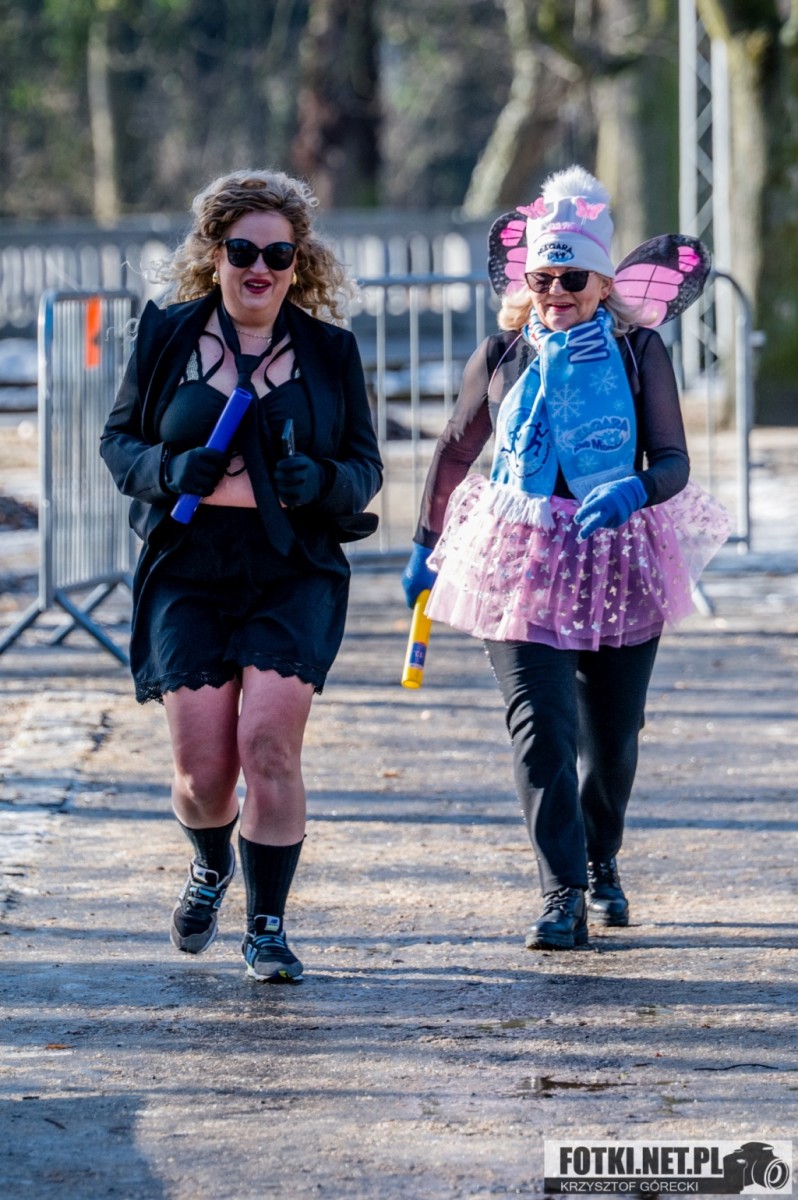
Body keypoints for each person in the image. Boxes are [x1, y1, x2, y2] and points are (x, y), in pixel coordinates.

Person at [402, 165, 729, 951]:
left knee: (612, 739)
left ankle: (600, 856)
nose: (555, 291)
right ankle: (562, 892)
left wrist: (635, 490)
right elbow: (455, 449)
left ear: (604, 281)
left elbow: (674, 461)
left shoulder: (638, 349)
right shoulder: (502, 353)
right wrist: (423, 546)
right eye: (542, 277)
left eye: (573, 277)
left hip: (617, 553)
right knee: (539, 727)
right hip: (516, 555)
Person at [101, 168, 382, 982]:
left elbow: (364, 468)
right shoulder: (166, 336)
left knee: (268, 746)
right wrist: (169, 469)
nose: (260, 267)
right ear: (215, 254)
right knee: (202, 775)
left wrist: (321, 482)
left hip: (292, 567)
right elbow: (118, 443)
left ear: (300, 263)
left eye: (279, 254)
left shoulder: (329, 352)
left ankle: (267, 927)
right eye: (244, 251)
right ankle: (210, 863)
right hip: (188, 568)